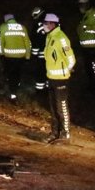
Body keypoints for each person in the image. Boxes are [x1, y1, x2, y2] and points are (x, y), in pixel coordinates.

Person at [41, 13, 76, 142]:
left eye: (46, 23)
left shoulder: (61, 38)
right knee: (53, 108)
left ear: (52, 24)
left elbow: (71, 59)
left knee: (61, 107)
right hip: (51, 78)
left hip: (61, 79)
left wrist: (65, 72)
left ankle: (65, 134)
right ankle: (55, 133)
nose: (44, 25)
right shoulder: (49, 38)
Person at [0, 13, 31, 102]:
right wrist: (27, 56)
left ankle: (12, 94)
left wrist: (2, 54)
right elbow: (28, 43)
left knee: (11, 75)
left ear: (6, 20)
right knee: (18, 74)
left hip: (9, 57)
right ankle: (16, 87)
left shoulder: (4, 27)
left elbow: (0, 42)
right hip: (21, 57)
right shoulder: (22, 27)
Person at [76, 0, 95, 92]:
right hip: (85, 47)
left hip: (93, 47)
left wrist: (86, 28)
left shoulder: (94, 14)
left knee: (94, 68)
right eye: (80, 5)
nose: (81, 7)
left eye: (82, 5)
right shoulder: (85, 16)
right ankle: (92, 86)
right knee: (89, 69)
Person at [28, 6, 48, 100]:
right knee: (49, 73)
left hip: (42, 55)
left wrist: (33, 55)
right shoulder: (52, 23)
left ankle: (40, 93)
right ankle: (49, 90)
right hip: (53, 55)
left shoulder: (37, 26)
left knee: (40, 73)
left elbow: (35, 41)